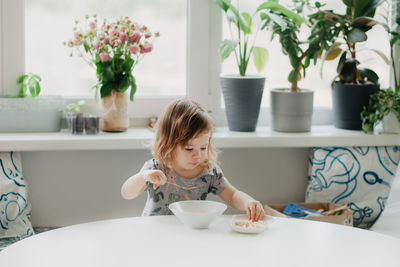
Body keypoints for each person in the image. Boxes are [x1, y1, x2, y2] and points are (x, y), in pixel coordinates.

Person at [121, 98, 283, 220]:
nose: (198, 155)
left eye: (203, 148)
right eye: (189, 148)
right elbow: (126, 193)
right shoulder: (156, 168)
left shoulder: (209, 173)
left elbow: (232, 195)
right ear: (169, 143)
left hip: (192, 237)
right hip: (156, 236)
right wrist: (143, 177)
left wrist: (249, 202)